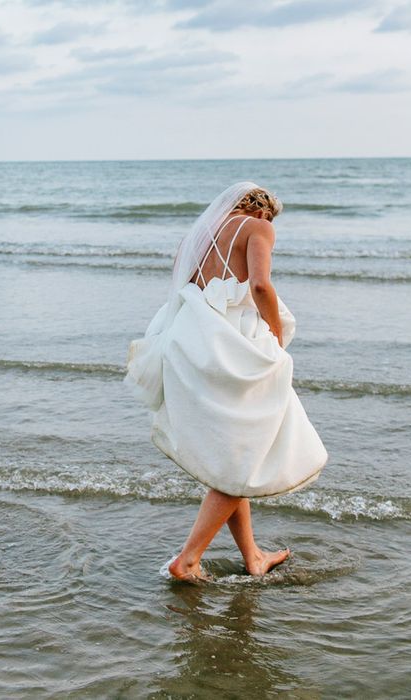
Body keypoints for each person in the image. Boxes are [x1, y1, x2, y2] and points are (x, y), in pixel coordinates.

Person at [125, 182, 327, 583]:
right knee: (246, 455)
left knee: (237, 454)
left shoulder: (200, 236)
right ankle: (187, 559)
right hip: (237, 349)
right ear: (262, 211)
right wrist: (275, 336)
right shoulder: (259, 228)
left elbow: (190, 288)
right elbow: (259, 285)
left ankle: (252, 555)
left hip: (196, 345)